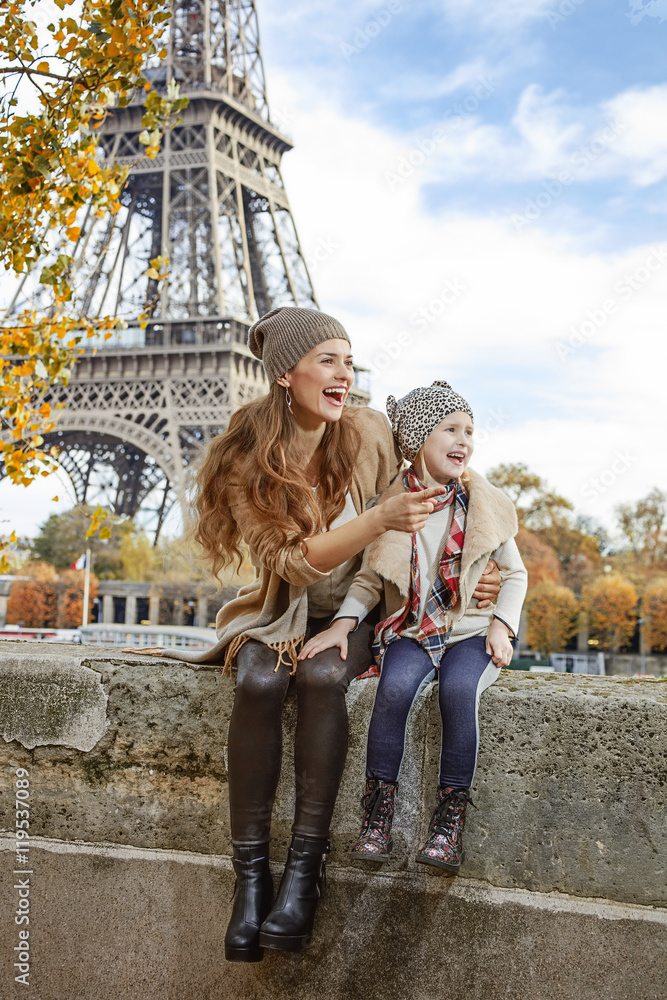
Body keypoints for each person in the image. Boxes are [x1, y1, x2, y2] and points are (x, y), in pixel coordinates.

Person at [136, 311, 501, 959]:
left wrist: (480, 567)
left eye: (348, 360)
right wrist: (379, 520)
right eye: (327, 360)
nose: (344, 374)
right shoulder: (245, 457)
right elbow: (289, 564)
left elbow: (443, 485)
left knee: (323, 676)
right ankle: (251, 878)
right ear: (285, 373)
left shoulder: (368, 431)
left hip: (359, 608)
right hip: (284, 608)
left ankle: (306, 870)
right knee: (257, 680)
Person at [298, 380, 527, 873]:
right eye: (450, 429)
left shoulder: (484, 504)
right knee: (394, 690)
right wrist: (342, 625)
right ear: (419, 440)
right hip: (413, 630)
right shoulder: (393, 504)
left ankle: (449, 823)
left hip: (470, 633)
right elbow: (370, 579)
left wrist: (501, 628)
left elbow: (515, 575)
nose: (464, 440)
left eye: (469, 431)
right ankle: (377, 813)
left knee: (459, 693)